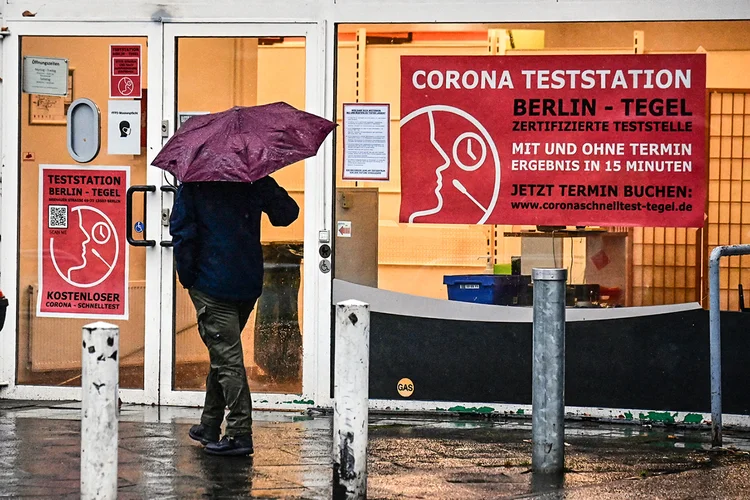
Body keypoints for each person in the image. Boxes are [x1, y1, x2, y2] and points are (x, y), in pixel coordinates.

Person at [169, 176, 299, 456]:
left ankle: (240, 432)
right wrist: (265, 185)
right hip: (246, 284)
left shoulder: (194, 185)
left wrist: (189, 277)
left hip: (212, 285)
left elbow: (182, 234)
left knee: (227, 359)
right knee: (224, 353)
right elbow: (287, 213)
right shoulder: (252, 180)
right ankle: (210, 423)